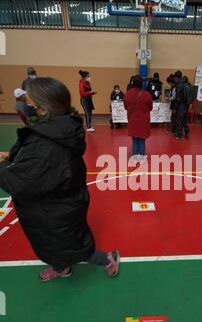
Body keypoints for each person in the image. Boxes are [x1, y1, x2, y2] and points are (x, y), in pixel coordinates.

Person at [0, 77, 120, 281]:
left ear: (44, 107)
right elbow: (44, 163)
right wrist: (13, 156)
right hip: (62, 201)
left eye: (29, 102)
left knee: (71, 246)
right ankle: (61, 268)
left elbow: (19, 182)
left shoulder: (44, 142)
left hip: (54, 209)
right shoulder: (60, 128)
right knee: (56, 245)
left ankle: (108, 259)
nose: (24, 105)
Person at [124, 74, 153, 161]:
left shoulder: (127, 94)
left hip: (132, 119)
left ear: (132, 83)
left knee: (134, 139)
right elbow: (150, 107)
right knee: (142, 139)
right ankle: (141, 157)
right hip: (144, 120)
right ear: (142, 84)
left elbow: (125, 107)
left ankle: (135, 157)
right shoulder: (147, 95)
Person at [174, 71, 190, 140]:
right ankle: (187, 133)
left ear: (176, 77)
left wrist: (175, 108)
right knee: (185, 120)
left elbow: (178, 98)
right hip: (187, 105)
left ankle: (180, 135)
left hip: (180, 106)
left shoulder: (179, 85)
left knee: (179, 120)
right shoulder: (187, 84)